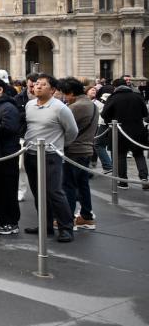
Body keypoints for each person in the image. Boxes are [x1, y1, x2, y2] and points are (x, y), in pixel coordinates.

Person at [23, 74, 77, 242]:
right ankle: (45, 225)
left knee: (55, 192)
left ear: (53, 90)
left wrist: (58, 145)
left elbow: (72, 131)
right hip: (30, 153)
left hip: (51, 155)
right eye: (36, 84)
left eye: (43, 84)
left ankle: (66, 228)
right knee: (38, 192)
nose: (37, 87)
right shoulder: (29, 105)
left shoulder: (60, 108)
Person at [62, 78, 98, 230]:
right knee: (83, 184)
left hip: (74, 150)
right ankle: (86, 216)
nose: (64, 97)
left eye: (65, 94)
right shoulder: (91, 104)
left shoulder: (75, 107)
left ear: (71, 93)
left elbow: (62, 127)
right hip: (86, 149)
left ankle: (68, 218)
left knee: (68, 185)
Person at [0, 77, 22, 234]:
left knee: (7, 189)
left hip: (6, 154)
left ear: (0, 90)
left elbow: (8, 128)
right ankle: (3, 219)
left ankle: (10, 222)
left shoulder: (8, 107)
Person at [101, 77, 149, 189]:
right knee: (139, 154)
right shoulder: (137, 96)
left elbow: (104, 114)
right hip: (137, 129)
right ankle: (144, 179)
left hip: (119, 130)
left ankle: (123, 181)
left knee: (120, 155)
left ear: (115, 87)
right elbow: (145, 112)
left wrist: (110, 121)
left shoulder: (113, 97)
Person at [87, 86, 112, 173]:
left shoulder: (98, 102)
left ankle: (106, 165)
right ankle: (94, 162)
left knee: (96, 144)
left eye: (95, 90)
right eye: (92, 90)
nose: (94, 91)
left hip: (98, 124)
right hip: (107, 125)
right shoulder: (112, 99)